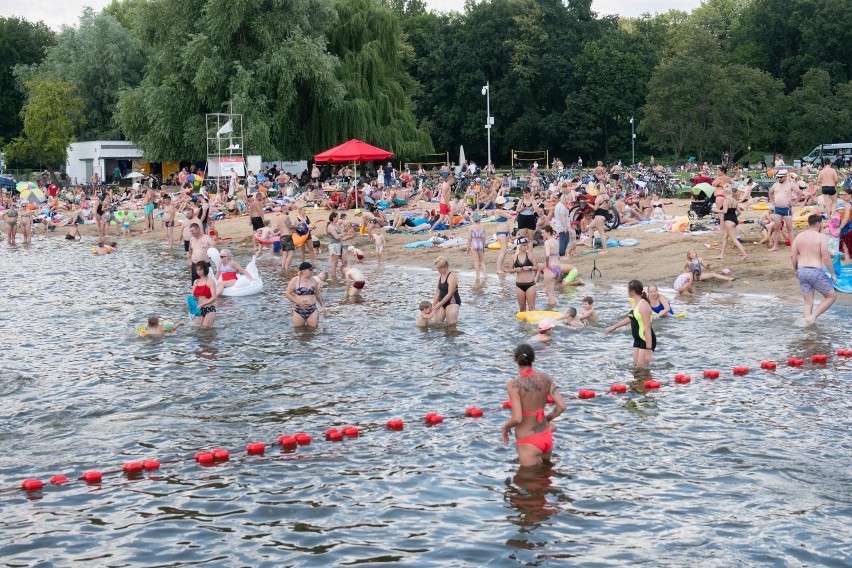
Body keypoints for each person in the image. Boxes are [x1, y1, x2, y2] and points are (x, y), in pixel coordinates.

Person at [501, 344, 567, 468]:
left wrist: (506, 426)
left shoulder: (513, 385)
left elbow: (517, 418)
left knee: (528, 480)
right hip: (546, 436)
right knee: (546, 474)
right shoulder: (546, 378)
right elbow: (562, 406)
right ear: (534, 359)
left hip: (528, 440)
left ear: (514, 359)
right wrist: (547, 418)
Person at [791, 214, 837, 324]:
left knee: (807, 302)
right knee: (831, 297)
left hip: (802, 270)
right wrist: (833, 274)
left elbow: (793, 255)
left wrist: (795, 269)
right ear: (818, 224)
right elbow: (826, 257)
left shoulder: (799, 236)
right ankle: (812, 317)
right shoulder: (821, 237)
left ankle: (807, 325)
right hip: (814, 271)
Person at [604, 280, 656, 368]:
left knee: (642, 370)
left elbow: (647, 328)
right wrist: (615, 326)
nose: (627, 292)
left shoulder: (644, 305)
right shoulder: (636, 304)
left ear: (632, 292)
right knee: (636, 367)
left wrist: (649, 349)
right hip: (637, 339)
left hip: (645, 340)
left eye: (628, 290)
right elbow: (631, 317)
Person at [285, 262, 328, 328]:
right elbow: (288, 294)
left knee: (313, 331)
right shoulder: (295, 280)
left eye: (312, 269)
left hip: (312, 309)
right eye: (310, 270)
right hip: (298, 309)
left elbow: (318, 294)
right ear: (303, 271)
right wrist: (298, 302)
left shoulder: (313, 280)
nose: (312, 271)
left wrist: (323, 306)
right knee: (298, 332)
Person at [768, 170, 801, 252]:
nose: (779, 178)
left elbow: (800, 193)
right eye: (778, 177)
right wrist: (772, 201)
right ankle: (775, 246)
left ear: (785, 177)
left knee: (789, 228)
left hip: (787, 208)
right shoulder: (775, 184)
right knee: (776, 227)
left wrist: (795, 202)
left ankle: (793, 247)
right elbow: (770, 192)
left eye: (781, 177)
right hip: (777, 208)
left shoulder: (790, 184)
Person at [716, 185, 748, 260]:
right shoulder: (734, 200)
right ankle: (721, 254)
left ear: (724, 192)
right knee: (725, 237)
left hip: (728, 220)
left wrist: (716, 210)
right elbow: (739, 212)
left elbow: (725, 211)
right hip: (734, 219)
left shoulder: (726, 200)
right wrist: (734, 217)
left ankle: (744, 254)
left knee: (733, 238)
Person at [427, 256, 460, 325]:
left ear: (445, 267)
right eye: (437, 268)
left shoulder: (452, 276)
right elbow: (437, 292)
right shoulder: (440, 275)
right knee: (437, 324)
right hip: (441, 302)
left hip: (452, 302)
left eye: (439, 268)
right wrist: (434, 305)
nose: (438, 270)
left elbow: (450, 293)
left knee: (451, 326)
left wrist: (439, 304)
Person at [511, 237, 539, 312]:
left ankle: (532, 323)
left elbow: (536, 267)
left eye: (527, 245)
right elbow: (510, 270)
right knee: (522, 309)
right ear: (519, 246)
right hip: (519, 285)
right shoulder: (513, 257)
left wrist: (529, 267)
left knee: (531, 308)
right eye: (524, 245)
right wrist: (516, 269)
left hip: (530, 284)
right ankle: (523, 324)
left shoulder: (531, 255)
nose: (526, 247)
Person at [191, 260, 218, 328]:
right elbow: (192, 296)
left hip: (209, 309)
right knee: (197, 328)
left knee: (205, 328)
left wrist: (203, 304)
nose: (198, 272)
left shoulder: (210, 281)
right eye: (197, 270)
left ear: (205, 269)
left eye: (200, 269)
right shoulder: (196, 282)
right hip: (200, 309)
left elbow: (214, 297)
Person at [467, 213, 487, 280]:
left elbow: (469, 238)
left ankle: (478, 276)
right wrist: (484, 247)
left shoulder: (471, 227)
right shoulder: (482, 227)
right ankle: (485, 275)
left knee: (476, 261)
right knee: (482, 260)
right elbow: (484, 238)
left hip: (474, 243)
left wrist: (468, 247)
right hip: (480, 243)